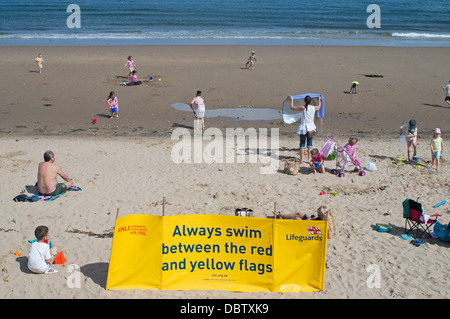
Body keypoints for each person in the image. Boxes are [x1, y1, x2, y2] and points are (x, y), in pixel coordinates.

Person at [290, 95, 322, 163]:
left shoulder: (302, 108)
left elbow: (292, 107)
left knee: (302, 144)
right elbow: (319, 106)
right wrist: (319, 100)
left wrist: (292, 100)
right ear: (310, 101)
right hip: (311, 128)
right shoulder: (313, 108)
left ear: (304, 101)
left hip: (303, 128)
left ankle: (301, 160)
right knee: (309, 145)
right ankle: (309, 159)